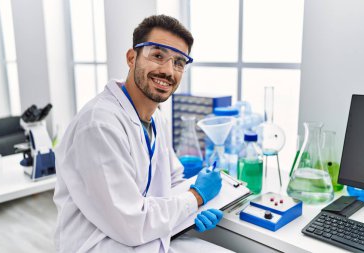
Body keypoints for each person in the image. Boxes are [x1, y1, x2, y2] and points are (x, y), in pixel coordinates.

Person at [53, 15, 233, 252]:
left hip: (146, 239)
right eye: (158, 56)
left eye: (179, 62)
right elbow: (131, 222)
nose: (168, 71)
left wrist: (195, 210)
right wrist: (195, 197)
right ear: (131, 58)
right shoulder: (99, 125)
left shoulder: (155, 117)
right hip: (101, 245)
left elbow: (172, 180)